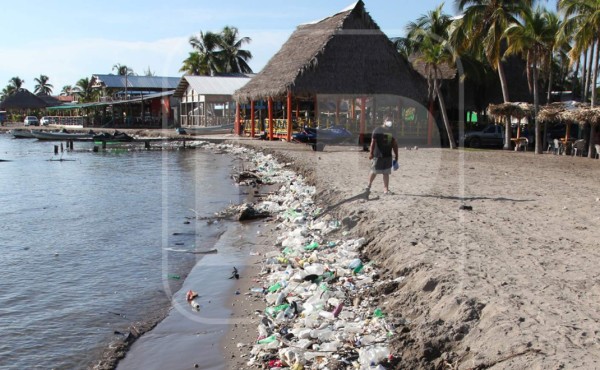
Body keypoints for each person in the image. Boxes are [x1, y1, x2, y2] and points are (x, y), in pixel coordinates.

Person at [367, 117, 399, 194]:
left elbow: (394, 144)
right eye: (388, 120)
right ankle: (368, 186)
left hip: (388, 155)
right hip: (378, 155)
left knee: (386, 172)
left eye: (391, 120)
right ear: (384, 121)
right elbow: (373, 143)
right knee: (374, 171)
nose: (390, 122)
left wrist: (396, 154)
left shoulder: (393, 131)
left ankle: (386, 189)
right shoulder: (378, 130)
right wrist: (371, 153)